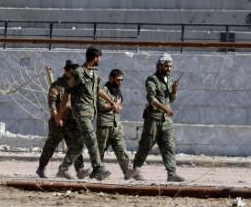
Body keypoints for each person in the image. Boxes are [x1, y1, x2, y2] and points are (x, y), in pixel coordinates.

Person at [57, 47, 119, 181]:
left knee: (79, 143)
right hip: (81, 112)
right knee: (91, 138)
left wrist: (112, 102)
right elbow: (67, 92)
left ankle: (63, 168)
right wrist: (59, 114)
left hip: (90, 113)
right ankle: (98, 169)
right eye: (99, 57)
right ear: (95, 58)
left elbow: (98, 91)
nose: (100, 60)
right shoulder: (78, 73)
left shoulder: (95, 74)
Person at [128, 53, 185, 182]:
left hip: (166, 121)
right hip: (153, 119)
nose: (169, 69)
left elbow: (170, 99)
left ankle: (172, 173)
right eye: (166, 66)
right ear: (159, 66)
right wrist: (165, 108)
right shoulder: (152, 80)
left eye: (170, 66)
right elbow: (152, 99)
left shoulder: (169, 80)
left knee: (168, 146)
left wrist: (174, 90)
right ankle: (135, 170)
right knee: (146, 145)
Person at [36, 60, 90, 179]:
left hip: (72, 122)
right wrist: (56, 117)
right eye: (72, 70)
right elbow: (52, 103)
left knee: (76, 146)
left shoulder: (77, 85)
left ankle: (80, 170)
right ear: (66, 70)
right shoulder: (57, 85)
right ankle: (41, 168)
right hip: (58, 123)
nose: (75, 72)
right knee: (50, 146)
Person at [96, 69, 132, 178]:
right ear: (111, 79)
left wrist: (117, 106)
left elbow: (119, 104)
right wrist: (113, 106)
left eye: (121, 80)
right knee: (100, 150)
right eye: (118, 80)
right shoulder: (104, 90)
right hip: (105, 125)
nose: (120, 82)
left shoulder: (117, 91)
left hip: (116, 126)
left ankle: (128, 170)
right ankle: (98, 171)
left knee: (121, 149)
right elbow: (101, 106)